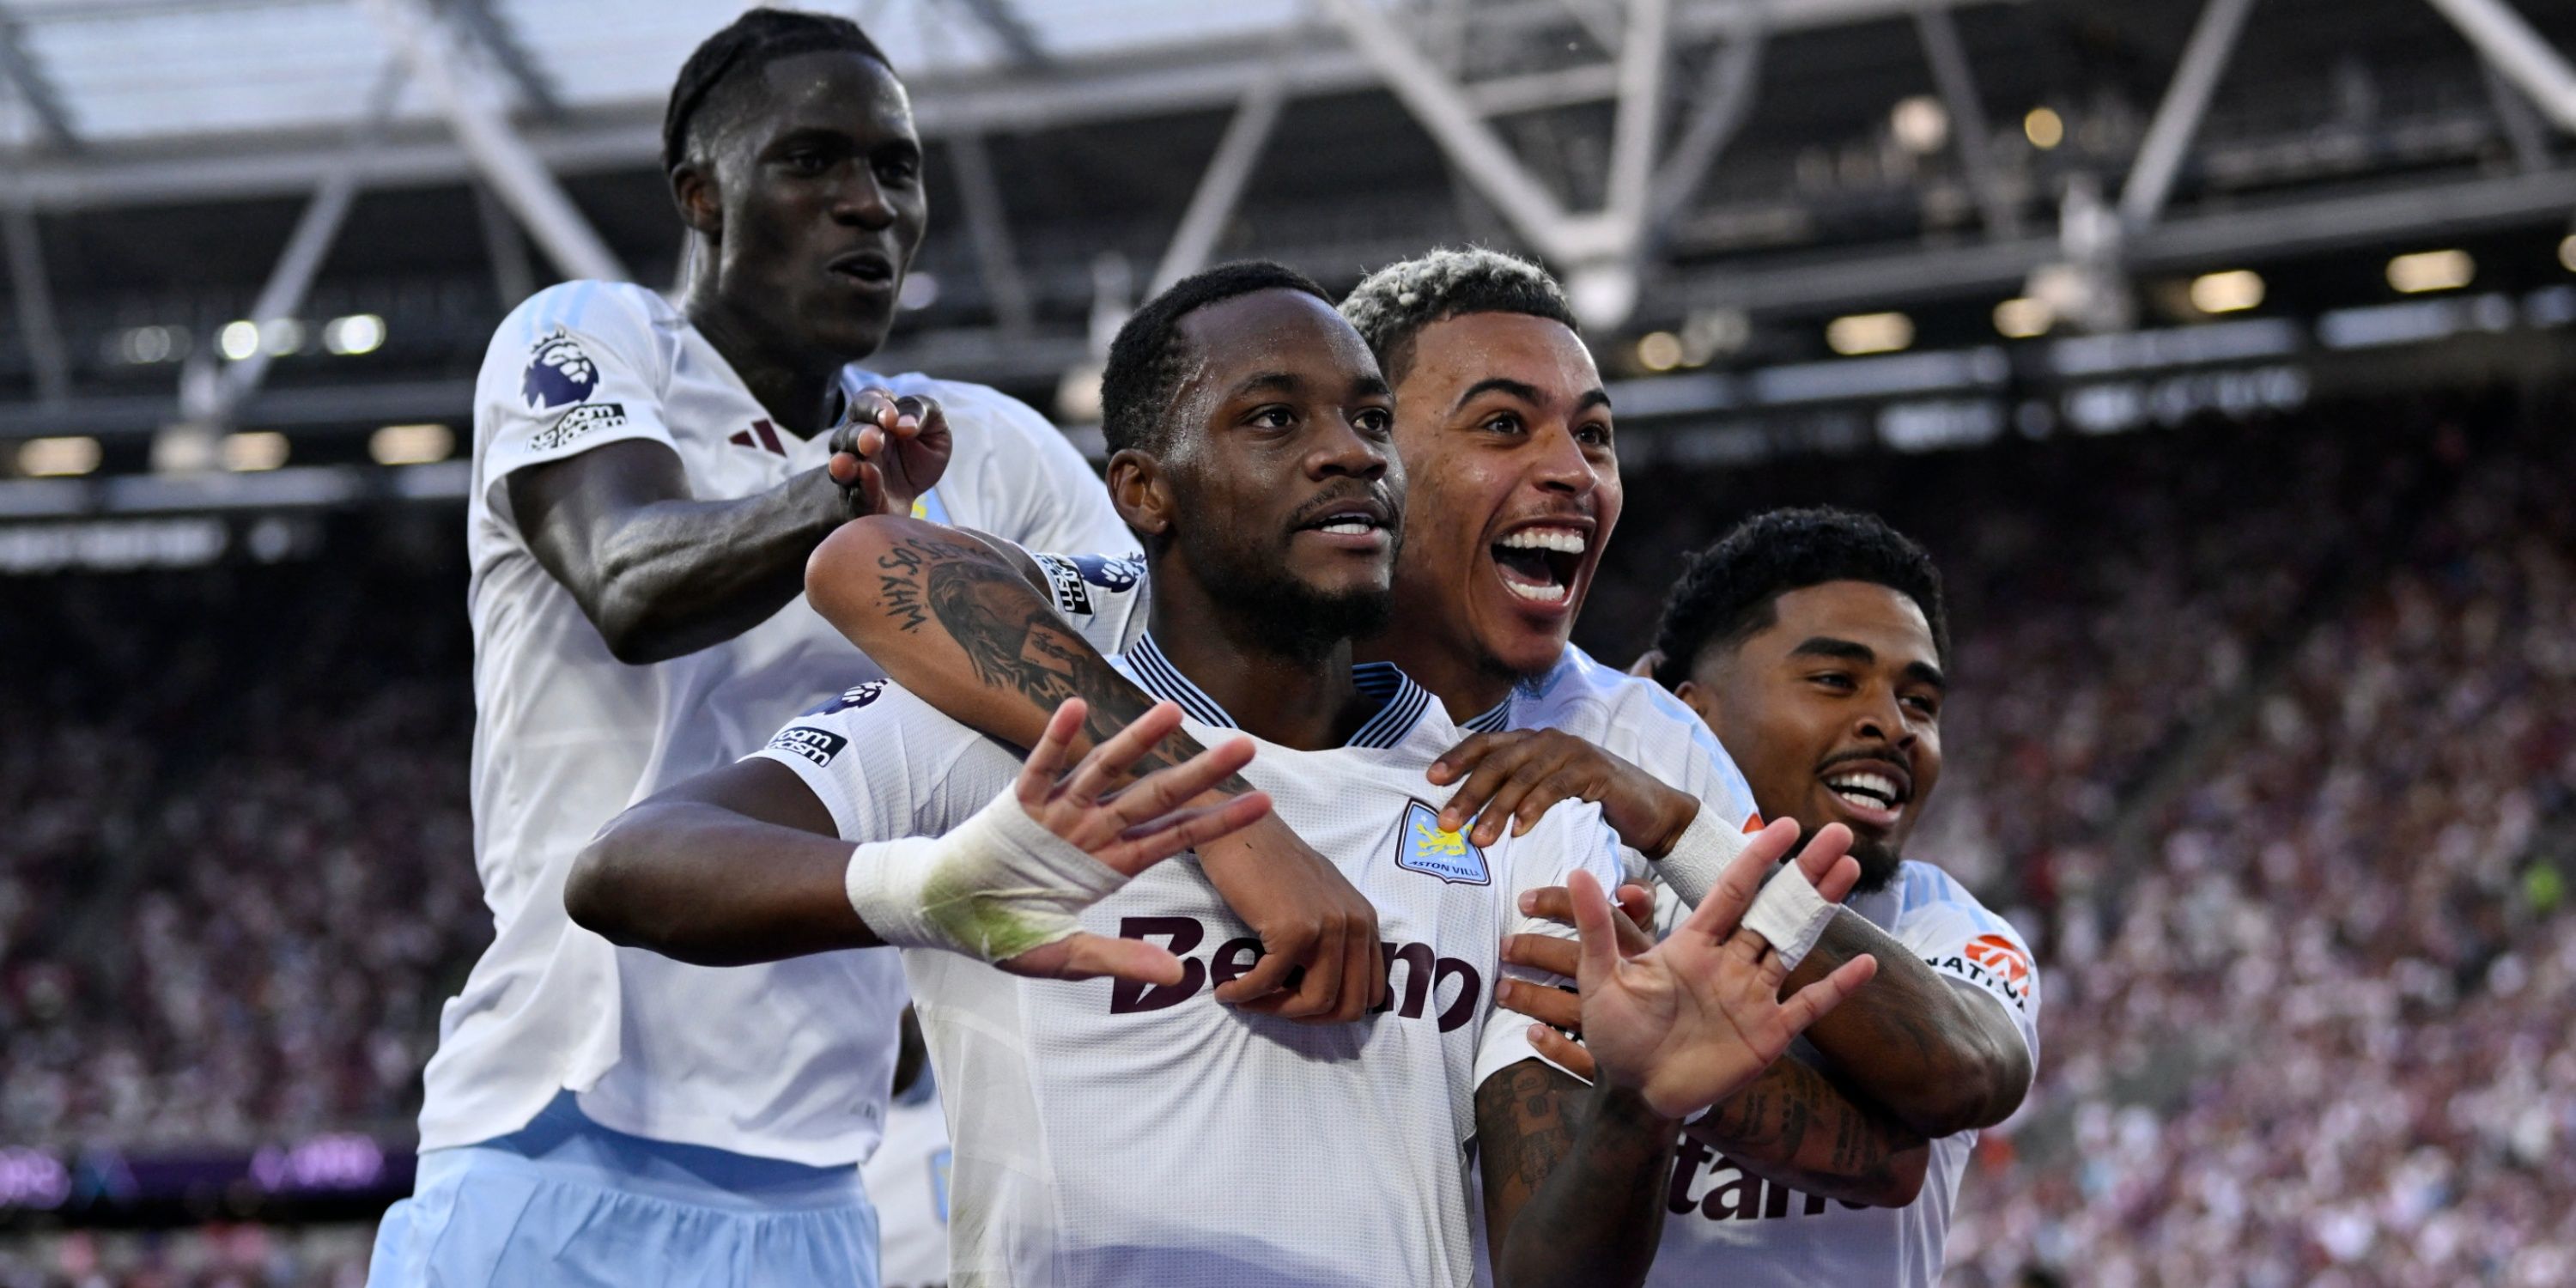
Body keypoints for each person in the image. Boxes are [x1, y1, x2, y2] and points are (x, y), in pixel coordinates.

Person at [565, 262, 1879, 1286]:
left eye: (1371, 420)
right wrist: (931, 888)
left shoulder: (1511, 807)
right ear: (1145, 491)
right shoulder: (1019, 732)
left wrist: (1640, 1113)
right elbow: (632, 866)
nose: (1349, 452)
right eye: (1273, 419)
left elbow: (1546, 1270)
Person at [370, 11, 1378, 1285]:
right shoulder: (589, 339)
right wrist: (846, 505)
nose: (868, 206)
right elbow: (628, 581)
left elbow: (1171, 647)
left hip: (820, 1178)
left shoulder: (989, 448)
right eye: (813, 163)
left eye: (895, 171)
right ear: (703, 196)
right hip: (551, 1143)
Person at [1498, 507, 2042, 1288]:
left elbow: (1961, 1078)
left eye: (1921, 703)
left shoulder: (1945, 926)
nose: (1892, 725)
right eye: (1834, 680)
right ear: (1688, 712)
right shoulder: (1582, 904)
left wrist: (1686, 828)